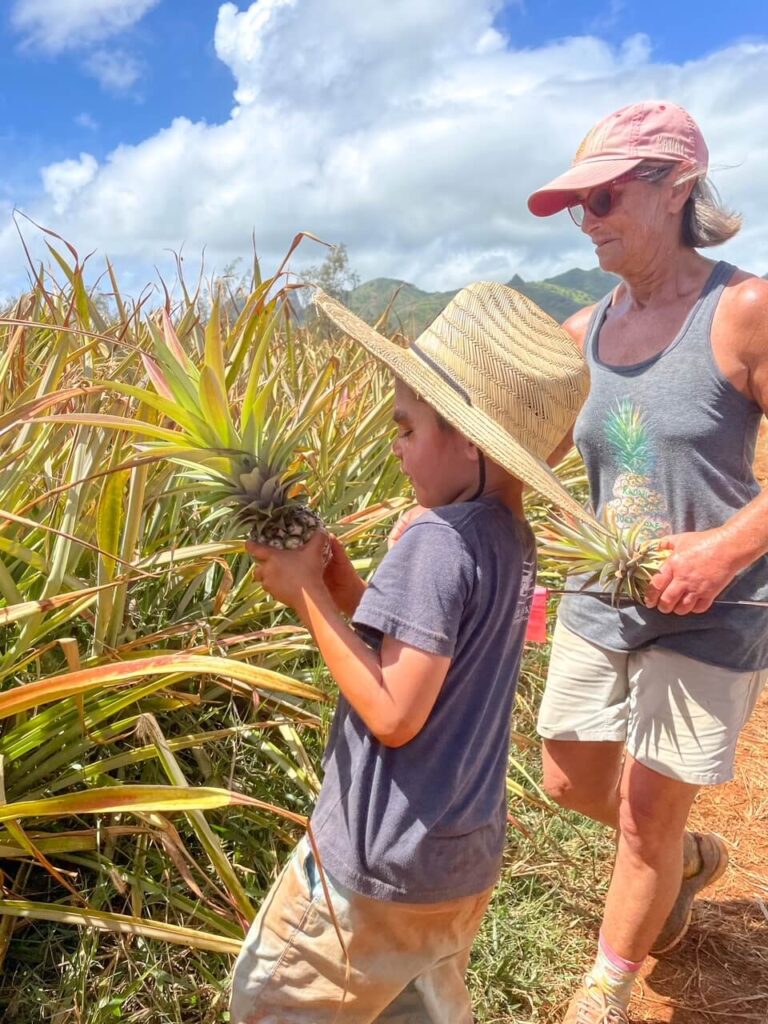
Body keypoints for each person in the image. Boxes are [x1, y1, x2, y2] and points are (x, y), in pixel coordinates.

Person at [228, 281, 590, 1023]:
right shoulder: (506, 537)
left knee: (267, 1004)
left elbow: (395, 713)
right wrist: (347, 589)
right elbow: (428, 657)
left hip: (372, 872)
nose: (394, 444)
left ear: (467, 437)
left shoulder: (435, 541)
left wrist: (306, 598)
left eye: (406, 426)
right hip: (455, 863)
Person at [527, 99, 768, 1023]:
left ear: (674, 187)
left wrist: (723, 548)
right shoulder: (578, 332)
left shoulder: (742, 311)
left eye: (605, 196)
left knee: (640, 818)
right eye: (578, 205)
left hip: (713, 609)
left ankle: (608, 985)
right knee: (569, 780)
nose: (588, 219)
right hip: (599, 602)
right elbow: (519, 458)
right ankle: (687, 855)